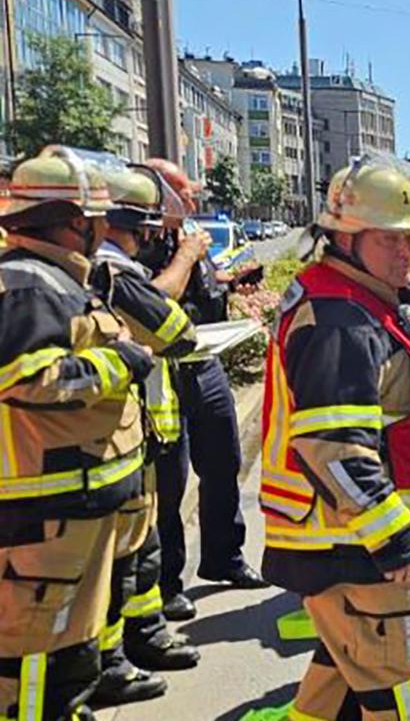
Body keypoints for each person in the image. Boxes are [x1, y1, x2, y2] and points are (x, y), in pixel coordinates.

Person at [260, 160, 410, 719]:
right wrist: (396, 538)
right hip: (363, 553)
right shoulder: (340, 319)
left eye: (409, 239)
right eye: (390, 240)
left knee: (342, 684)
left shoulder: (364, 302)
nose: (406, 253)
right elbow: (332, 445)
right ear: (344, 239)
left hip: (357, 549)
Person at [0, 149, 156, 720]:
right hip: (43, 509)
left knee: (66, 656)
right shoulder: (29, 284)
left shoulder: (53, 279)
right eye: (96, 222)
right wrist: (123, 363)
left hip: (67, 504)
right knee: (39, 663)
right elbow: (29, 380)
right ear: (75, 222)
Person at [89, 164, 202, 707]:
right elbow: (175, 332)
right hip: (111, 442)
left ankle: (139, 638)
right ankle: (113, 661)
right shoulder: (110, 271)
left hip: (120, 437)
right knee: (125, 555)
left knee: (138, 549)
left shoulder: (74, 274)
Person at [143, 159, 266, 623]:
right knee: (169, 482)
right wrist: (187, 256)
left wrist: (232, 283)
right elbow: (151, 302)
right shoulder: (143, 241)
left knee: (223, 464)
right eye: (184, 193)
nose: (192, 200)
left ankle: (223, 556)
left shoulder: (186, 235)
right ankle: (167, 581)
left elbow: (201, 294)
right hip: (164, 371)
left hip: (205, 361)